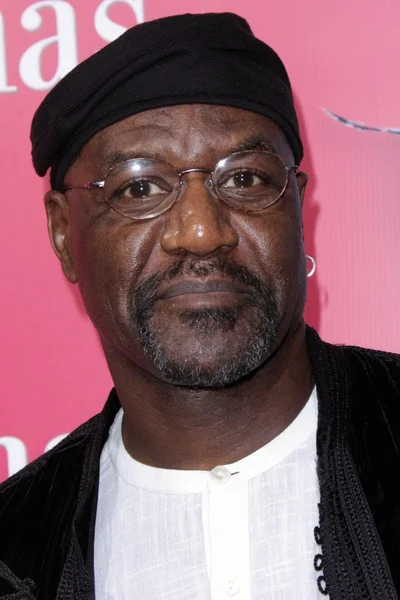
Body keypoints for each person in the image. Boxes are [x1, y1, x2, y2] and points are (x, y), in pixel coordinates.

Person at [0, 11, 399, 600]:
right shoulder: (18, 554)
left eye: (245, 180)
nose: (201, 231)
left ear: (297, 208)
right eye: (140, 187)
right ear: (64, 236)